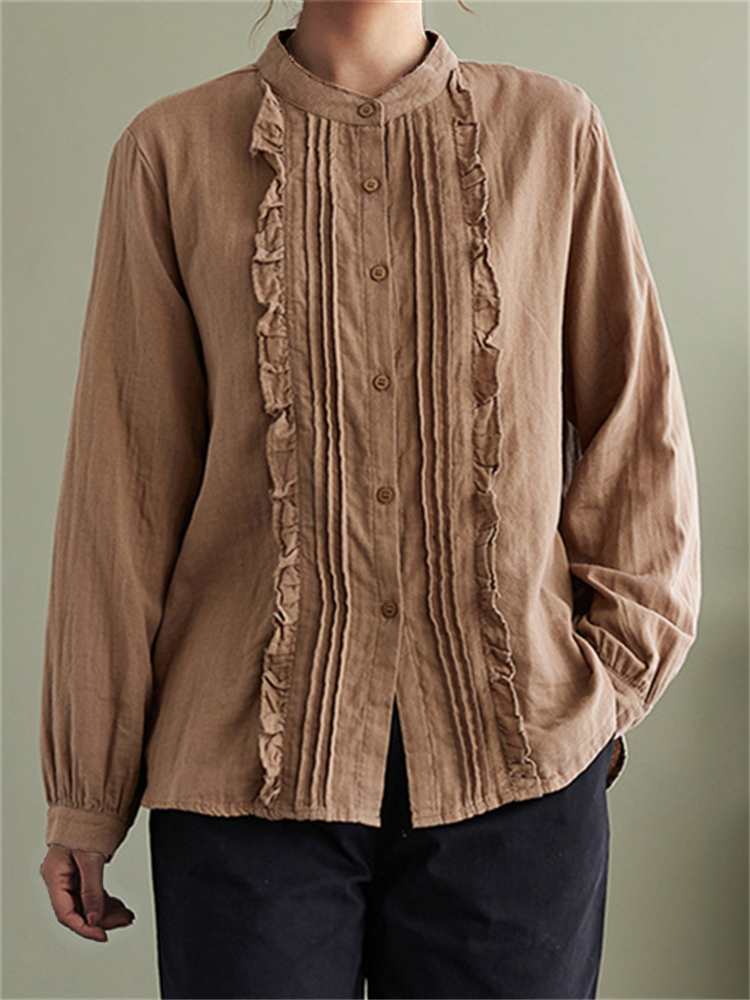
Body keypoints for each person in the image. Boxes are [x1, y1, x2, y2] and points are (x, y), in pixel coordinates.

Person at [38, 1, 702, 997]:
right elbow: (122, 491)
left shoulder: (553, 133)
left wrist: (605, 686)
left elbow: (638, 426)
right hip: (245, 790)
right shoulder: (169, 153)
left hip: (519, 785)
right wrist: (88, 791)